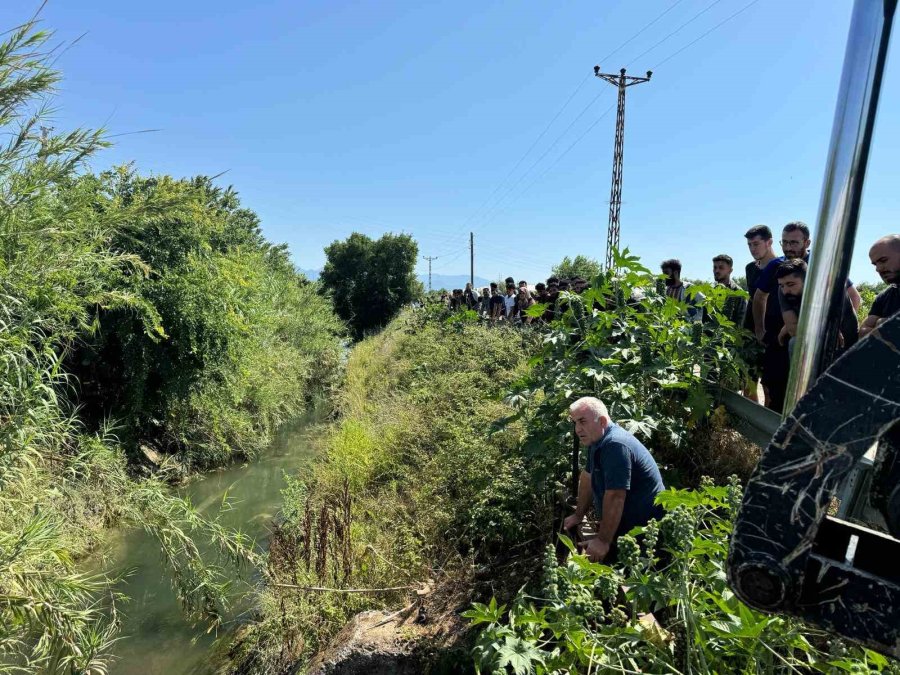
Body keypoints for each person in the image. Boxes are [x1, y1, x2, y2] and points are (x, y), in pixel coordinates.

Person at [563, 397, 665, 564]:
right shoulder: (597, 441)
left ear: (602, 421)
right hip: (625, 530)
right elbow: (587, 477)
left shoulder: (615, 445)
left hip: (645, 534)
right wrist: (578, 515)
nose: (577, 429)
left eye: (582, 422)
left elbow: (616, 495)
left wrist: (602, 541)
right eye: (575, 423)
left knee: (634, 580)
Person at [775, 258, 858, 359]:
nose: (785, 291)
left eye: (791, 284)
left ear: (808, 280)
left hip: (844, 339)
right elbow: (793, 329)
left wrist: (826, 329)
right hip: (815, 333)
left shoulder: (830, 289)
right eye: (782, 285)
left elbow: (832, 329)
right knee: (795, 342)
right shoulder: (783, 291)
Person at [742, 225, 777, 403]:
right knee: (748, 382)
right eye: (749, 245)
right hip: (750, 331)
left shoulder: (782, 266)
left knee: (770, 386)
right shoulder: (750, 269)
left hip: (773, 332)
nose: (752, 249)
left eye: (756, 244)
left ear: (769, 242)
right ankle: (751, 426)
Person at [860, 234, 900, 338]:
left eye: (883, 260)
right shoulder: (884, 298)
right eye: (875, 264)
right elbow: (863, 331)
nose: (878, 269)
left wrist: (881, 324)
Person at [712, 254, 747, 325]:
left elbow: (741, 321)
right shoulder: (710, 291)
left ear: (730, 270)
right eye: (715, 267)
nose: (717, 271)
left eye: (721, 268)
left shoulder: (738, 292)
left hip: (731, 334)